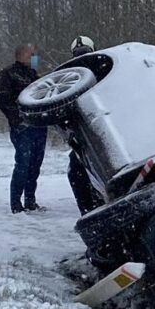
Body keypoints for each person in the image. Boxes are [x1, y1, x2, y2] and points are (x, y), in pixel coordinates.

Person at [0, 43, 46, 213]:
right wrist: (18, 120)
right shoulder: (7, 74)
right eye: (31, 54)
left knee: (35, 165)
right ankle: (16, 203)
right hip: (22, 127)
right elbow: (4, 101)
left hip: (39, 125)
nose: (34, 57)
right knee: (23, 164)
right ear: (21, 55)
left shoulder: (34, 74)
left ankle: (30, 200)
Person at [66, 36, 104, 215]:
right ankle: (90, 214)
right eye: (77, 54)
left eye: (84, 54)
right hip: (84, 135)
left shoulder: (106, 69)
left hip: (108, 131)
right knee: (76, 171)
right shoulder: (69, 78)